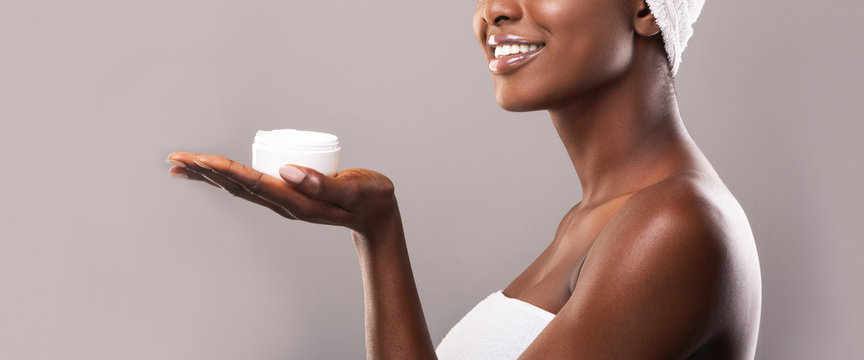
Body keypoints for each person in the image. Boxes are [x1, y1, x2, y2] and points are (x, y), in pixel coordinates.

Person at [165, 0, 762, 358]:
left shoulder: (675, 225)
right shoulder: (604, 217)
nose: (493, 10)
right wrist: (376, 230)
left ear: (645, 8)